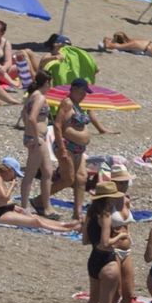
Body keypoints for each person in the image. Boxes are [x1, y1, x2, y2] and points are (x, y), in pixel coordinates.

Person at [76, 181, 129, 303]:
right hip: (107, 260)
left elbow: (85, 240)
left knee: (92, 300)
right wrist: (120, 237)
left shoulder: (89, 213)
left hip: (93, 259)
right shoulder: (105, 215)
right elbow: (105, 243)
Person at [0, 158, 80, 231]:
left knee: (35, 217)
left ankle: (65, 225)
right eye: (15, 174)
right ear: (9, 170)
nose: (14, 178)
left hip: (2, 210)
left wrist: (14, 207)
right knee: (35, 222)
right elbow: (3, 199)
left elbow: (0, 200)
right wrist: (12, 186)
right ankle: (66, 230)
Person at [55, 79, 102, 222]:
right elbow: (58, 125)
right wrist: (61, 148)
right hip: (67, 146)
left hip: (79, 148)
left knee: (81, 178)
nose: (84, 95)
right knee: (68, 179)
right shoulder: (67, 103)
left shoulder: (77, 106)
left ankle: (78, 212)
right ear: (74, 89)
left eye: (85, 93)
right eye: (82, 92)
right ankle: (39, 200)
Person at [19, 71, 55, 215]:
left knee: (47, 172)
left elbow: (24, 114)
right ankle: (25, 206)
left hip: (35, 137)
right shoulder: (39, 97)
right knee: (31, 173)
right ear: (46, 83)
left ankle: (46, 206)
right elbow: (32, 118)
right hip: (36, 139)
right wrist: (35, 136)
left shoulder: (32, 95)